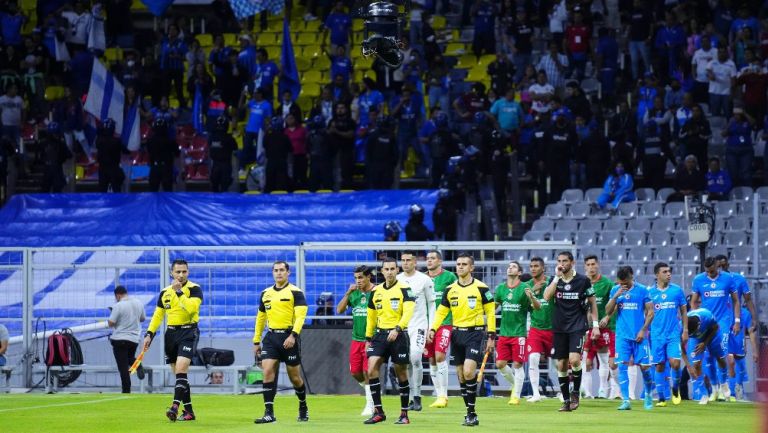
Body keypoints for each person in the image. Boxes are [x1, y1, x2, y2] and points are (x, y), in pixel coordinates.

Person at [428, 253, 495, 426]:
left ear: (471, 267)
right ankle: (469, 413)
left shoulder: (482, 288)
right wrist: (433, 328)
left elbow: (490, 312)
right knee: (461, 376)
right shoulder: (450, 289)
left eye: (464, 264)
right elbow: (442, 312)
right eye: (458, 264)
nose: (460, 267)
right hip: (457, 333)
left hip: (476, 333)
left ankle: (472, 413)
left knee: (468, 372)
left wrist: (491, 336)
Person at [143, 259, 203, 422]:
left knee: (181, 370)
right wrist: (149, 334)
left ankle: (175, 406)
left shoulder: (194, 289)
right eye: (178, 272)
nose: (181, 275)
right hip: (170, 335)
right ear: (172, 273)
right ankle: (189, 412)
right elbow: (158, 315)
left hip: (188, 332)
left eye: (184, 271)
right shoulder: (165, 292)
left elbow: (191, 308)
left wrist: (179, 292)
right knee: (180, 377)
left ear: (188, 272)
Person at [253, 261, 309, 424]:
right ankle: (269, 413)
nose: (279, 273)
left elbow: (300, 317)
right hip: (271, 338)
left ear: (288, 272)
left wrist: (293, 336)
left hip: (289, 337)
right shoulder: (266, 293)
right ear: (272, 273)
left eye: (282, 270)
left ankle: (303, 406)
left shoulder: (295, 292)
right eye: (276, 270)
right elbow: (260, 318)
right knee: (267, 370)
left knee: (295, 378)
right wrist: (256, 340)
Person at [543, 251, 600, 412]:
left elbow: (593, 303)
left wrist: (595, 325)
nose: (562, 264)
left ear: (572, 262)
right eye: (559, 261)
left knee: (574, 360)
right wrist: (556, 278)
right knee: (560, 364)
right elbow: (547, 297)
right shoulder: (554, 280)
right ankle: (566, 401)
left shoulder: (583, 280)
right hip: (559, 327)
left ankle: (575, 392)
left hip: (577, 326)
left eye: (565, 261)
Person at [363, 257, 415, 425]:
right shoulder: (376, 291)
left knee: (401, 372)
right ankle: (379, 412)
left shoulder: (405, 289)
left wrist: (398, 328)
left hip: (399, 335)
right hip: (379, 336)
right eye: (387, 269)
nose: (390, 272)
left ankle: (404, 414)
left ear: (397, 270)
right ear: (382, 271)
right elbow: (371, 317)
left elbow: (408, 312)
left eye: (393, 269)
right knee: (371, 369)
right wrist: (368, 338)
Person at [690, 256, 741, 402]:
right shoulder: (699, 279)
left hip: (723, 322)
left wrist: (737, 321)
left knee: (720, 355)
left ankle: (724, 383)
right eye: (707, 271)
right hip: (706, 321)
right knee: (708, 357)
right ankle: (714, 388)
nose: (710, 274)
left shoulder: (728, 279)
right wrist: (696, 317)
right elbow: (693, 302)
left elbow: (736, 300)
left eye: (712, 271)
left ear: (717, 266)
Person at [605, 266, 655, 411]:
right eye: (620, 283)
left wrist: (643, 330)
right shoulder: (616, 290)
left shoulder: (643, 290)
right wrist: (615, 296)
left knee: (645, 368)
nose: (623, 285)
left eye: (625, 282)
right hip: (622, 336)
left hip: (639, 335)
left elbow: (651, 312)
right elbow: (608, 311)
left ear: (632, 276)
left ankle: (648, 395)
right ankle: (626, 400)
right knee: (622, 366)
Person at [494, 261, 540, 405]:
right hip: (504, 333)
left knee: (518, 364)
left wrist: (532, 297)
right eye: (508, 266)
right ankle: (516, 385)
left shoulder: (525, 287)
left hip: (519, 333)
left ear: (519, 272)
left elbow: (537, 307)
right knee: (500, 364)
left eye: (513, 266)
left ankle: (516, 395)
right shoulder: (501, 288)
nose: (509, 267)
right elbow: (493, 308)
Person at [396, 251, 436, 412]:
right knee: (405, 362)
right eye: (403, 260)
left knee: (416, 358)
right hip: (402, 327)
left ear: (415, 263)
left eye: (408, 260)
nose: (405, 263)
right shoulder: (397, 280)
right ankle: (411, 398)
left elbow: (432, 304)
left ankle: (418, 397)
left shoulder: (424, 280)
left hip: (419, 326)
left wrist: (431, 327)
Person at [716, 255, 759, 401]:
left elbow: (747, 300)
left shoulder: (739, 279)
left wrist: (754, 318)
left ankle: (738, 385)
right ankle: (726, 391)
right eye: (719, 265)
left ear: (728, 264)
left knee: (739, 359)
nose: (722, 267)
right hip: (721, 323)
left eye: (724, 264)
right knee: (725, 358)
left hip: (737, 322)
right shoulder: (713, 282)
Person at [336, 265, 375, 416]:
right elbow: (339, 310)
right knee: (355, 372)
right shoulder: (354, 294)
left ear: (368, 277)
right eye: (356, 278)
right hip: (356, 339)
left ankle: (370, 404)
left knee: (367, 371)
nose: (358, 281)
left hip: (371, 339)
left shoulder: (377, 292)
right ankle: (371, 389)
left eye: (361, 277)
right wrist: (347, 293)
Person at [648, 262, 687, 406]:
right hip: (657, 335)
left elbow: (683, 311)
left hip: (673, 334)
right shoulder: (650, 293)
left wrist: (686, 330)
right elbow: (646, 313)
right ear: (657, 275)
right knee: (659, 366)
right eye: (664, 272)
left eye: (669, 271)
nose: (668, 274)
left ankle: (675, 389)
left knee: (675, 364)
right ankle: (662, 398)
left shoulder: (677, 291)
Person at [581, 255, 619, 400]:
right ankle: (587, 392)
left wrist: (607, 317)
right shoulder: (582, 283)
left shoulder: (607, 284)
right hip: (586, 328)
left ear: (598, 265)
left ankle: (605, 389)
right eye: (588, 264)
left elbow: (616, 302)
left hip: (604, 327)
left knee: (605, 360)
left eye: (593, 264)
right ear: (585, 267)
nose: (591, 267)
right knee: (585, 361)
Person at [424, 250, 457, 408]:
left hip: (445, 322)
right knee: (431, 359)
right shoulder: (422, 278)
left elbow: (457, 295)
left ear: (440, 261)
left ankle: (444, 395)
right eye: (428, 258)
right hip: (426, 324)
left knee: (439, 356)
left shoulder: (449, 277)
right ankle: (438, 395)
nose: (429, 261)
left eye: (432, 258)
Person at [523, 257, 558, 403]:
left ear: (543, 268)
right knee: (533, 358)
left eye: (536, 266)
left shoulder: (552, 282)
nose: (533, 269)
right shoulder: (526, 285)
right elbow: (522, 305)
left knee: (559, 363)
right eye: (531, 266)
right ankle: (536, 393)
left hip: (553, 328)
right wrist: (532, 291)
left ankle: (563, 392)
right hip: (536, 328)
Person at [686, 307, 731, 405]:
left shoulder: (706, 315)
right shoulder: (683, 324)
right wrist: (688, 365)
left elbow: (716, 327)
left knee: (721, 359)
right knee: (696, 365)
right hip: (696, 340)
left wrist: (705, 343)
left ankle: (723, 383)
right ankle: (705, 394)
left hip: (713, 335)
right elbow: (681, 346)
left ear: (699, 325)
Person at [108, 285, 146, 393]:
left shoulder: (118, 305)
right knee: (129, 358)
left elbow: (111, 323)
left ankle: (126, 390)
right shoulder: (138, 303)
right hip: (134, 339)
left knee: (123, 367)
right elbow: (142, 318)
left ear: (117, 295)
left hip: (119, 338)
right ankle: (137, 365)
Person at [146, 118, 178, 192]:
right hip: (166, 168)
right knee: (167, 192)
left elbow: (149, 153)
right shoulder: (170, 140)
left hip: (155, 167)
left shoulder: (150, 141)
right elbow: (177, 153)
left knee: (153, 193)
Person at [39, 122, 72, 193]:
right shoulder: (60, 144)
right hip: (54, 171)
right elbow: (68, 155)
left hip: (50, 170)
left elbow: (68, 155)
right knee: (54, 192)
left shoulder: (44, 143)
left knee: (47, 191)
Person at [96, 119, 126, 193]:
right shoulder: (117, 141)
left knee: (102, 191)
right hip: (113, 169)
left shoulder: (99, 141)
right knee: (116, 191)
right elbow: (126, 151)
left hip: (103, 169)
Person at [208, 116, 237, 192]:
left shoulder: (211, 137)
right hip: (224, 166)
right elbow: (235, 147)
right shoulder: (229, 138)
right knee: (224, 190)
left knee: (215, 189)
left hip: (216, 166)